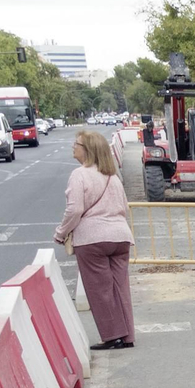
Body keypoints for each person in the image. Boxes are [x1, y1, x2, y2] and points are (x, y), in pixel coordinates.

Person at [54, 130, 135, 350]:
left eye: (76, 143)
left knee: (100, 290)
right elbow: (124, 207)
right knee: (120, 287)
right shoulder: (112, 177)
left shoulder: (79, 174)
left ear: (87, 150)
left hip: (92, 240)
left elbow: (75, 209)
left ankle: (112, 336)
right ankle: (128, 336)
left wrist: (61, 233)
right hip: (120, 237)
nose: (73, 146)